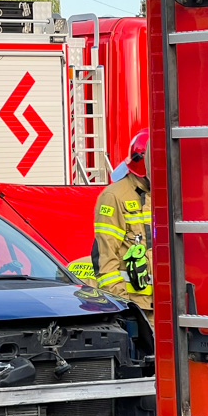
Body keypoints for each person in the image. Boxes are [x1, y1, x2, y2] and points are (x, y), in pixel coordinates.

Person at [91, 128, 153, 326]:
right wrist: (124, 307)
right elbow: (105, 262)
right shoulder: (114, 197)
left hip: (167, 305)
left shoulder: (162, 192)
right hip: (136, 310)